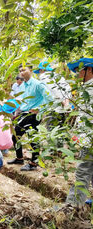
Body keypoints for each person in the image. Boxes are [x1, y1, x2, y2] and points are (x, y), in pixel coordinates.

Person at [8, 63, 53, 171]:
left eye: (24, 70)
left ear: (31, 70)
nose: (22, 72)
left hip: (33, 114)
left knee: (32, 138)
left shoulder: (38, 84)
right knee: (16, 135)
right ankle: (19, 158)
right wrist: (16, 113)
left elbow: (50, 99)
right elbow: (22, 101)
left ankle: (33, 163)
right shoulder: (23, 85)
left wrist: (40, 110)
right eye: (20, 71)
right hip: (24, 113)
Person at [65, 58, 93, 207]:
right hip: (86, 137)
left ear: (88, 70)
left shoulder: (90, 90)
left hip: (89, 139)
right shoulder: (86, 89)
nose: (76, 73)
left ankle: (72, 206)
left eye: (79, 70)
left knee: (83, 171)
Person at [34, 61, 72, 126]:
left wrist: (61, 101)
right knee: (61, 128)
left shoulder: (43, 77)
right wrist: (66, 103)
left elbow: (51, 89)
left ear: (42, 70)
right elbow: (67, 88)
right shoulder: (58, 76)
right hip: (62, 108)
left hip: (53, 107)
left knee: (52, 129)